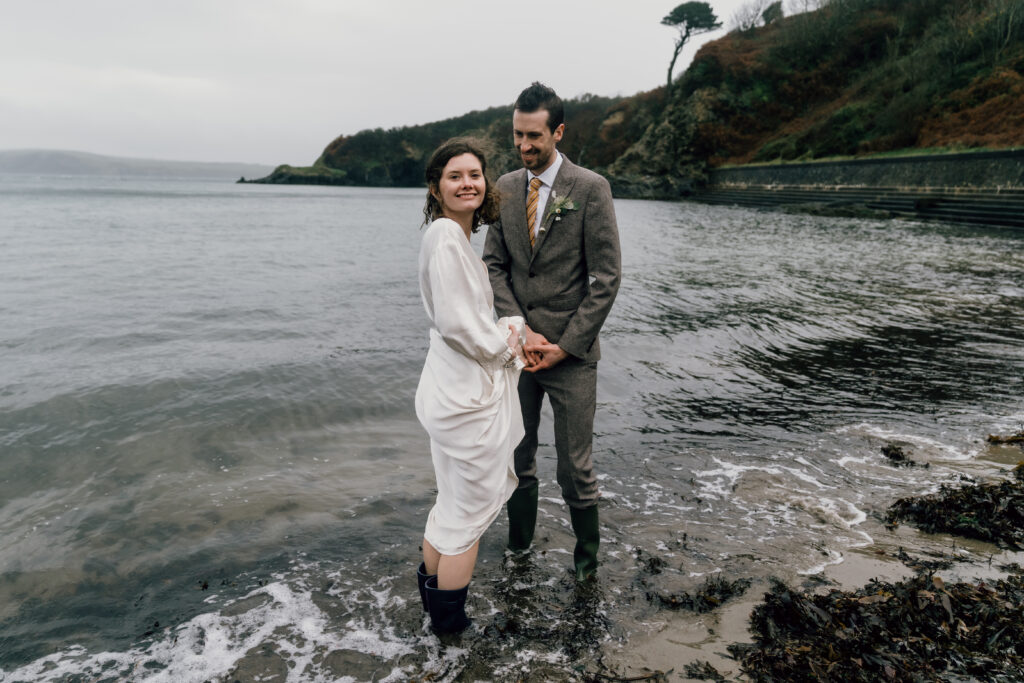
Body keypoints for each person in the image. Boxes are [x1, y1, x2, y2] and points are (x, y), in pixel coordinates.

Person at [482, 82, 621, 582]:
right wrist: (518, 331)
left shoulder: (590, 188)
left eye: (534, 135)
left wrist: (566, 345)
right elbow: (494, 265)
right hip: (518, 354)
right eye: (517, 135)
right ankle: (518, 556)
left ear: (558, 132)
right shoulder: (503, 187)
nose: (524, 145)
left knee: (575, 468)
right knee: (517, 460)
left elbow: (606, 278)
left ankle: (586, 571)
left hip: (571, 356)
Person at [414, 138, 527, 634]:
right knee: (468, 516)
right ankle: (450, 630)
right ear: (437, 187)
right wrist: (510, 345)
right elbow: (461, 325)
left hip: (452, 388)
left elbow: (468, 319)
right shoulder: (444, 236)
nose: (467, 183)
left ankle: (433, 618)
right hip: (466, 399)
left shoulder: (455, 238)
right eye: (455, 176)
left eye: (475, 174)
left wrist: (509, 328)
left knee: (450, 504)